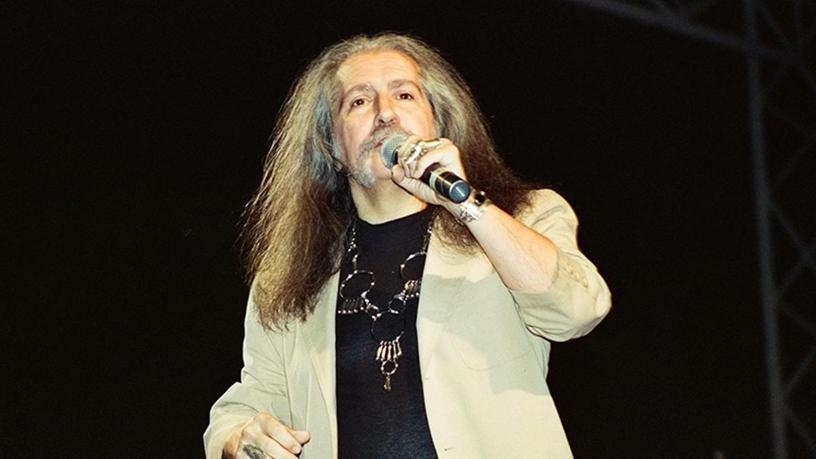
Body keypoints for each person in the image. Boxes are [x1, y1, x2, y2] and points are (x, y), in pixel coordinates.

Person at [204, 32, 611, 459]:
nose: (385, 114)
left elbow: (577, 310)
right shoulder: (290, 277)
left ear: (438, 123)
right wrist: (239, 438)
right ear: (333, 147)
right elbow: (248, 405)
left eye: (404, 95)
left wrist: (465, 202)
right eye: (359, 101)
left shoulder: (521, 217)